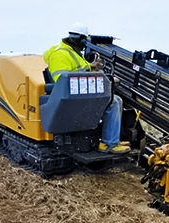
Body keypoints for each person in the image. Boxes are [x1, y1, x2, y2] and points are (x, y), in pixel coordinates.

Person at [43, 22, 130, 154]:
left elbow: (79, 70)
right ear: (81, 39)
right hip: (68, 96)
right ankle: (109, 143)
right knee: (113, 101)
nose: (85, 45)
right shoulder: (60, 54)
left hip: (77, 93)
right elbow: (62, 80)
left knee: (116, 100)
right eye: (84, 41)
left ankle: (110, 139)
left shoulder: (72, 52)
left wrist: (92, 67)